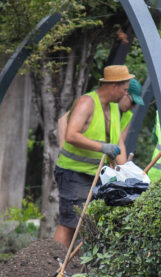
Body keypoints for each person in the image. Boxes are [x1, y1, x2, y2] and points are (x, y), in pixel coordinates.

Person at [54, 65, 134, 247]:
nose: (125, 94)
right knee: (69, 223)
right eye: (124, 89)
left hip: (96, 175)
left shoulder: (114, 108)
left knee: (92, 223)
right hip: (73, 173)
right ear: (114, 86)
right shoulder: (87, 102)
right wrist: (102, 147)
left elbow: (118, 142)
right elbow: (71, 135)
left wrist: (125, 172)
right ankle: (56, 264)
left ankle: (80, 268)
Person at [57, 78, 144, 149]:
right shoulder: (95, 103)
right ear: (124, 92)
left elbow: (119, 147)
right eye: (133, 102)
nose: (133, 107)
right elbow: (62, 121)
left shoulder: (127, 116)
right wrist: (62, 148)